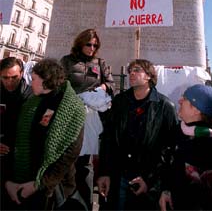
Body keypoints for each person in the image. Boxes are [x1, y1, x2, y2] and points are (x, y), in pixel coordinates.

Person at [2, 58, 85, 210]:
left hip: (53, 188)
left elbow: (69, 154)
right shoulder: (31, 103)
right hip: (24, 182)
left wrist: (38, 184)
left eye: (33, 79)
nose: (30, 82)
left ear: (46, 80)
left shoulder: (73, 109)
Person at [97, 59, 178, 211]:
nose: (132, 73)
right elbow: (108, 139)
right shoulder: (120, 102)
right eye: (130, 71)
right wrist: (104, 172)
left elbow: (170, 149)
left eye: (137, 70)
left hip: (147, 181)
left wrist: (152, 180)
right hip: (118, 175)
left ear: (149, 76)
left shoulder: (165, 106)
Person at [60, 28, 115, 210]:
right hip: (70, 111)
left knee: (85, 161)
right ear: (80, 43)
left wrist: (102, 89)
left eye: (95, 45)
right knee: (68, 156)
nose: (92, 48)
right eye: (89, 44)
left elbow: (111, 84)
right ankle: (66, 200)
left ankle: (85, 202)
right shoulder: (67, 61)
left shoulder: (100, 63)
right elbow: (58, 84)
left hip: (90, 113)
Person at [159, 84, 212, 211]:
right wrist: (166, 190)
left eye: (185, 99)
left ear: (196, 109)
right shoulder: (177, 132)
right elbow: (168, 167)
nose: (179, 101)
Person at [0, 57, 33, 157]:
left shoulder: (31, 96)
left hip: (18, 152)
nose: (9, 82)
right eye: (5, 78)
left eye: (14, 77)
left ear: (22, 74)